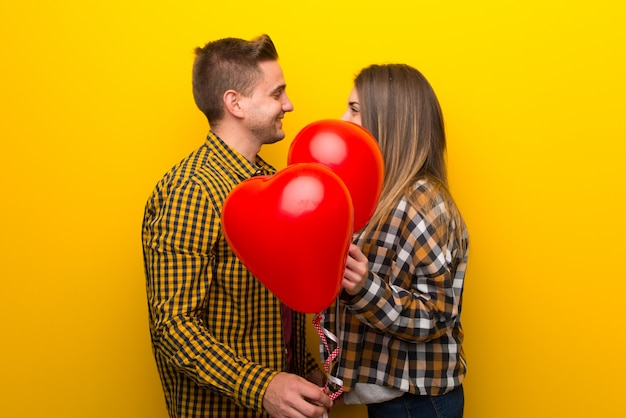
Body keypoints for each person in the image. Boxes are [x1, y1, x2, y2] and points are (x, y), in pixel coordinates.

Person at [142, 34, 331, 418]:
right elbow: (174, 327)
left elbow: (276, 303)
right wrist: (263, 387)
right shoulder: (192, 191)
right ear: (235, 103)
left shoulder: (271, 183)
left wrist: (302, 367)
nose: (289, 105)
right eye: (277, 93)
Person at [320, 64, 469, 418]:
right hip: (395, 399)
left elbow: (437, 316)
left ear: (388, 118)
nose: (342, 118)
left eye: (354, 109)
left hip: (417, 403)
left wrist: (365, 287)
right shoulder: (382, 194)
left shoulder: (421, 204)